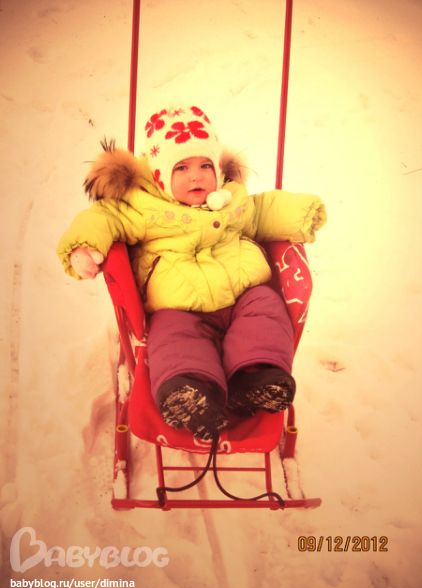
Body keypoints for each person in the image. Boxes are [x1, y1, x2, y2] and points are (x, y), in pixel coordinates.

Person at [57, 105, 326, 441]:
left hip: (241, 297)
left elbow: (261, 211)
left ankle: (256, 376)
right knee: (171, 336)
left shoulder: (232, 199)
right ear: (159, 175)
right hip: (178, 307)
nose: (196, 176)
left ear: (218, 168)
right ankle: (189, 391)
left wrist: (302, 214)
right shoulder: (142, 206)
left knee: (266, 305)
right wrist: (83, 246)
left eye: (205, 165)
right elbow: (103, 217)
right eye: (181, 167)